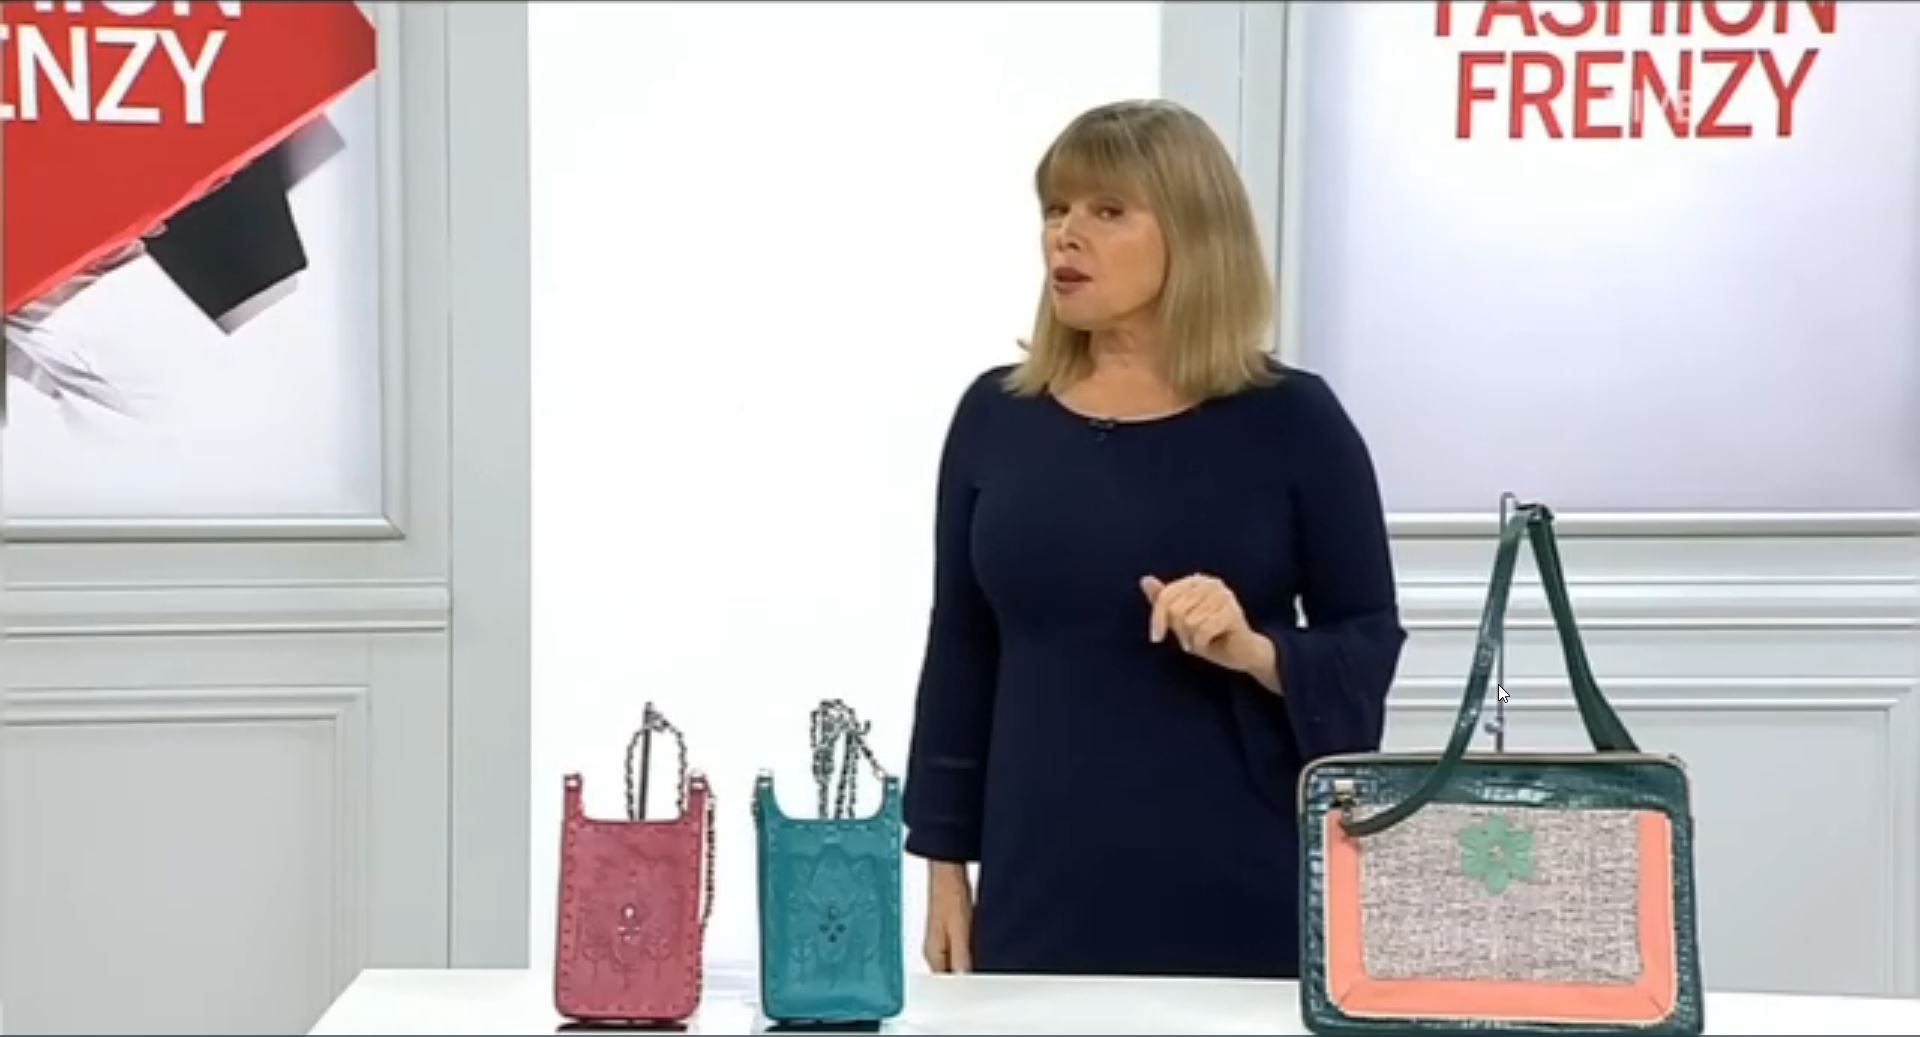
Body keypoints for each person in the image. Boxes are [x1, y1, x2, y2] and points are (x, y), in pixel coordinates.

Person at [900, 99, 1406, 980]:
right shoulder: (996, 416)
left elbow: (1366, 637)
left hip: (1239, 882)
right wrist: (943, 864)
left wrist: (1254, 648)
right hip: (1039, 883)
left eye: (1107, 211)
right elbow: (961, 647)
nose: (1066, 235)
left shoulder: (1294, 421)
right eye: (1056, 208)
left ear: (1194, 234)